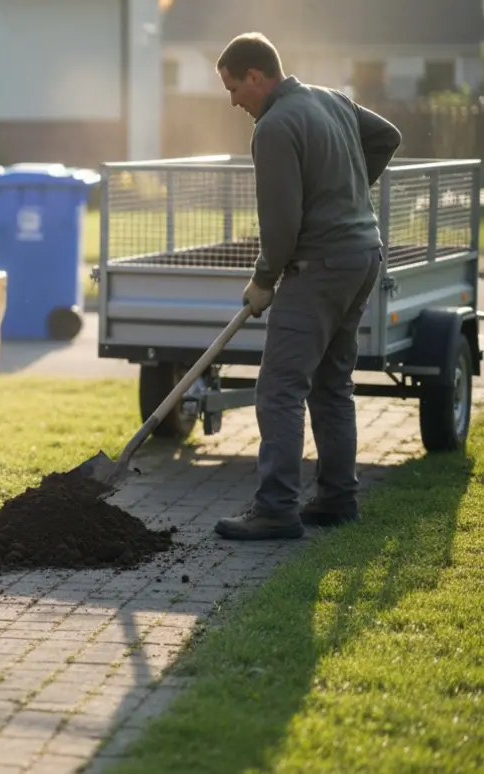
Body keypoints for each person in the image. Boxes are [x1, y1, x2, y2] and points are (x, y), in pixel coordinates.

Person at [210, 33, 402, 541]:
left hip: (317, 265)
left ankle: (275, 508)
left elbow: (280, 223)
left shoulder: (274, 126)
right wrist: (346, 191)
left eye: (234, 88)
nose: (233, 101)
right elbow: (387, 137)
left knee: (278, 389)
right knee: (332, 385)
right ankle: (338, 499)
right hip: (363, 254)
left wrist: (263, 278)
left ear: (256, 76)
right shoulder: (329, 99)